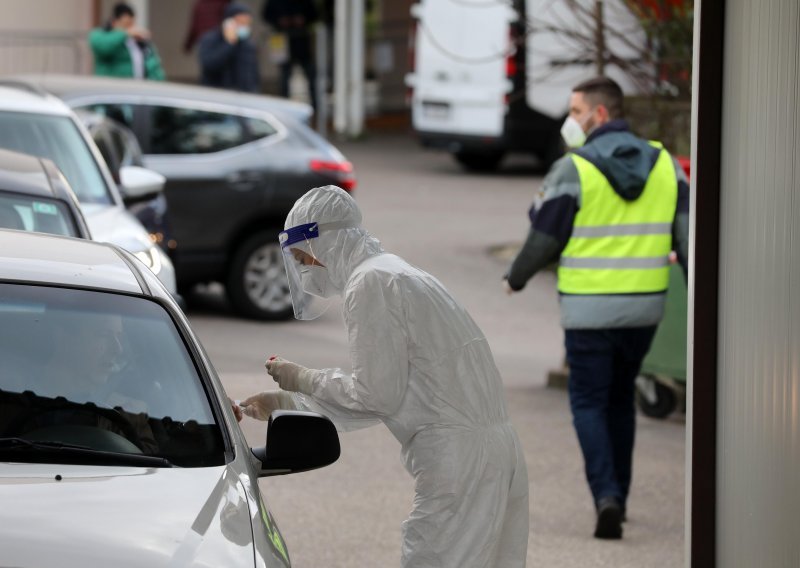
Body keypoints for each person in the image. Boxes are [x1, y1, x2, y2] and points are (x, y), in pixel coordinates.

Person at [241, 185, 529, 567]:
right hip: (495, 451)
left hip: (460, 461)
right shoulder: (399, 273)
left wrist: (299, 378)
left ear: (325, 242)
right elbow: (396, 392)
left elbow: (376, 394)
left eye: (303, 257)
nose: (306, 270)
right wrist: (287, 403)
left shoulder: (369, 284)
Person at [504, 76, 690, 540]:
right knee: (619, 400)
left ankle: (605, 495)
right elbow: (689, 238)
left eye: (575, 110)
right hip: (645, 310)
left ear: (599, 115)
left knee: (588, 401)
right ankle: (619, 497)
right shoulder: (667, 165)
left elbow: (543, 233)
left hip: (588, 313)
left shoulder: (576, 168)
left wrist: (516, 277)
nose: (570, 120)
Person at [262, 0, 319, 111]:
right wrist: (279, 20)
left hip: (301, 41)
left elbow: (314, 14)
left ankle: (315, 108)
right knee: (284, 77)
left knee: (311, 75)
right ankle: (284, 107)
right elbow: (266, 15)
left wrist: (303, 19)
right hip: (281, 40)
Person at [88, 2, 165, 80]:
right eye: (126, 24)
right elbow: (103, 47)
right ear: (114, 22)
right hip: (114, 88)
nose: (130, 28)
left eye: (132, 24)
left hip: (139, 88)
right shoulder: (101, 35)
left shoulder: (138, 41)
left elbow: (152, 65)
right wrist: (125, 33)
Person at [198, 3, 260, 92]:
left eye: (246, 23)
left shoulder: (247, 44)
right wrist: (230, 44)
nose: (243, 26)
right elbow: (210, 64)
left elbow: (253, 75)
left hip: (244, 97)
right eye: (240, 22)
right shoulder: (210, 40)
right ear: (228, 22)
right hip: (217, 96)